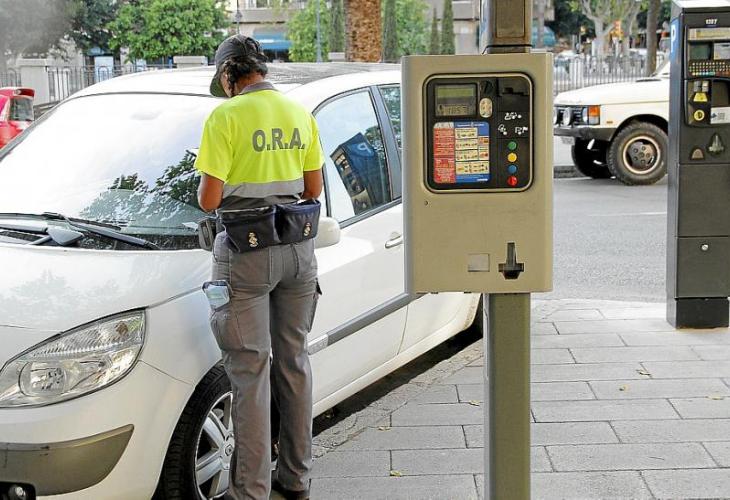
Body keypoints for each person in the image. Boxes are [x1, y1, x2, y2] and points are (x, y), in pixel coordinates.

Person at [195, 34, 324, 500]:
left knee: (250, 374)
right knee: (294, 363)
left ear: (229, 75)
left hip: (246, 253)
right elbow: (313, 188)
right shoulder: (299, 113)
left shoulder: (225, 117)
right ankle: (296, 480)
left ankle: (251, 491)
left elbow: (209, 199)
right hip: (298, 252)